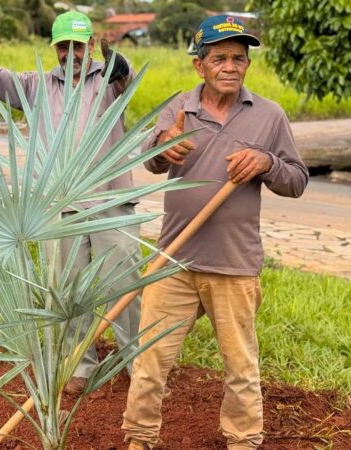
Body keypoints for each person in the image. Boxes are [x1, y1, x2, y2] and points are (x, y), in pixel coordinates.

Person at [0, 6, 142, 396]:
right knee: (68, 291)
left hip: (111, 201)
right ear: (55, 48)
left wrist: (120, 63)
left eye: (79, 46)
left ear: (92, 45)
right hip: (59, 206)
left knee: (125, 285)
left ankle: (137, 363)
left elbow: (127, 78)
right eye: (64, 47)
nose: (72, 54)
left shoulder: (109, 82)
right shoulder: (36, 86)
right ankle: (80, 364)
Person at [121, 15, 309, 450]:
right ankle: (139, 440)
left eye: (239, 59)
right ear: (199, 65)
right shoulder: (179, 109)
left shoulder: (269, 116)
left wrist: (266, 163)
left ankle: (244, 442)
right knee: (150, 362)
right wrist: (164, 145)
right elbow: (151, 162)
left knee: (241, 368)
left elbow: (297, 181)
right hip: (174, 258)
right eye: (220, 58)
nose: (231, 66)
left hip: (234, 263)